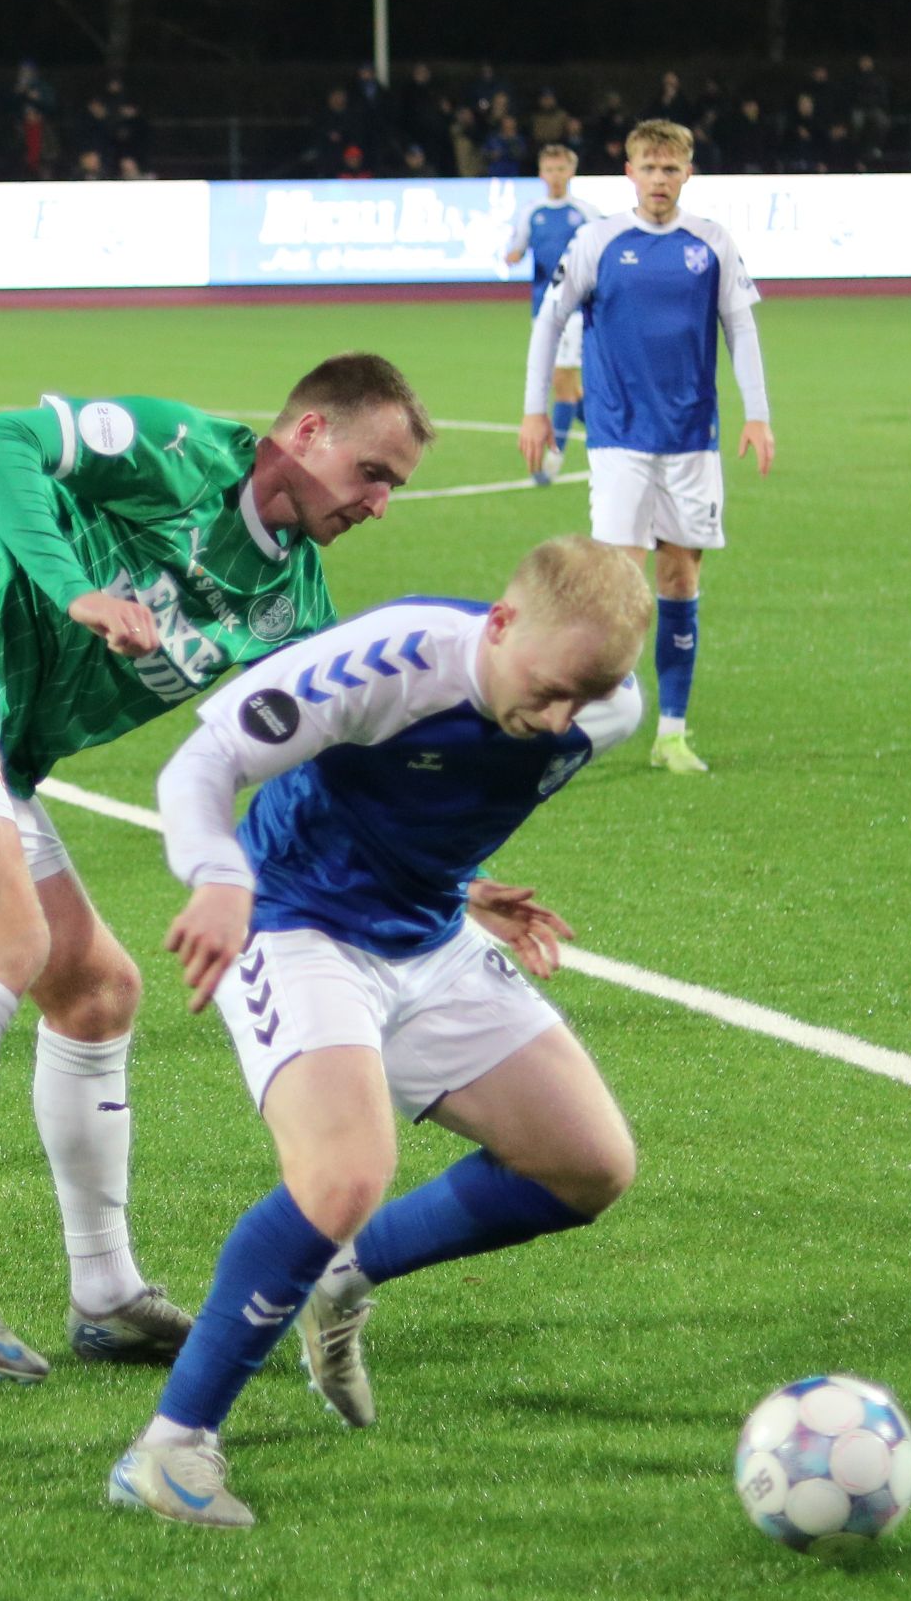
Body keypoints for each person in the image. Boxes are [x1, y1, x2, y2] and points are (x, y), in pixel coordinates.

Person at [0, 356, 435, 1386]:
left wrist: (454, 869)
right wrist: (76, 588)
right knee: (1, 941)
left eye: (393, 486)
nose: (378, 503)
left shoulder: (294, 602)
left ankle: (106, 1294)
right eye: (373, 472)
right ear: (308, 432)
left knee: (96, 992)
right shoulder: (180, 449)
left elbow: (337, 759)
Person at [108, 536, 649, 1529]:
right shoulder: (387, 660)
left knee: (588, 1164)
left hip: (430, 936)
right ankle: (171, 1445)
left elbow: (445, 800)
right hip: (292, 922)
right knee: (344, 1172)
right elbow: (204, 760)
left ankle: (345, 1273)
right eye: (555, 685)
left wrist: (468, 888)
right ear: (499, 623)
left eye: (594, 690)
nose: (567, 714)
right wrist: (220, 877)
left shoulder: (605, 712)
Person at [520, 119, 771, 775]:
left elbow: (740, 330)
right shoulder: (598, 239)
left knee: (680, 580)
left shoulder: (710, 243)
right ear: (627, 172)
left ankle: (671, 732)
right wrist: (534, 412)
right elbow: (548, 321)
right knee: (613, 585)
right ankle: (568, 724)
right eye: (648, 167)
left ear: (687, 174)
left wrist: (757, 415)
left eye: (670, 168)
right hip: (617, 438)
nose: (659, 179)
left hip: (692, 440)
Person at [500, 143, 601, 480]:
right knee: (571, 388)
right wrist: (512, 255)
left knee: (562, 383)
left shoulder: (585, 212)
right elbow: (517, 247)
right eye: (550, 169)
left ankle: (552, 461)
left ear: (571, 172)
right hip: (543, 309)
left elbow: (605, 250)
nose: (556, 176)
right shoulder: (533, 212)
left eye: (562, 169)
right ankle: (615, 427)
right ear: (541, 173)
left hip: (576, 309)